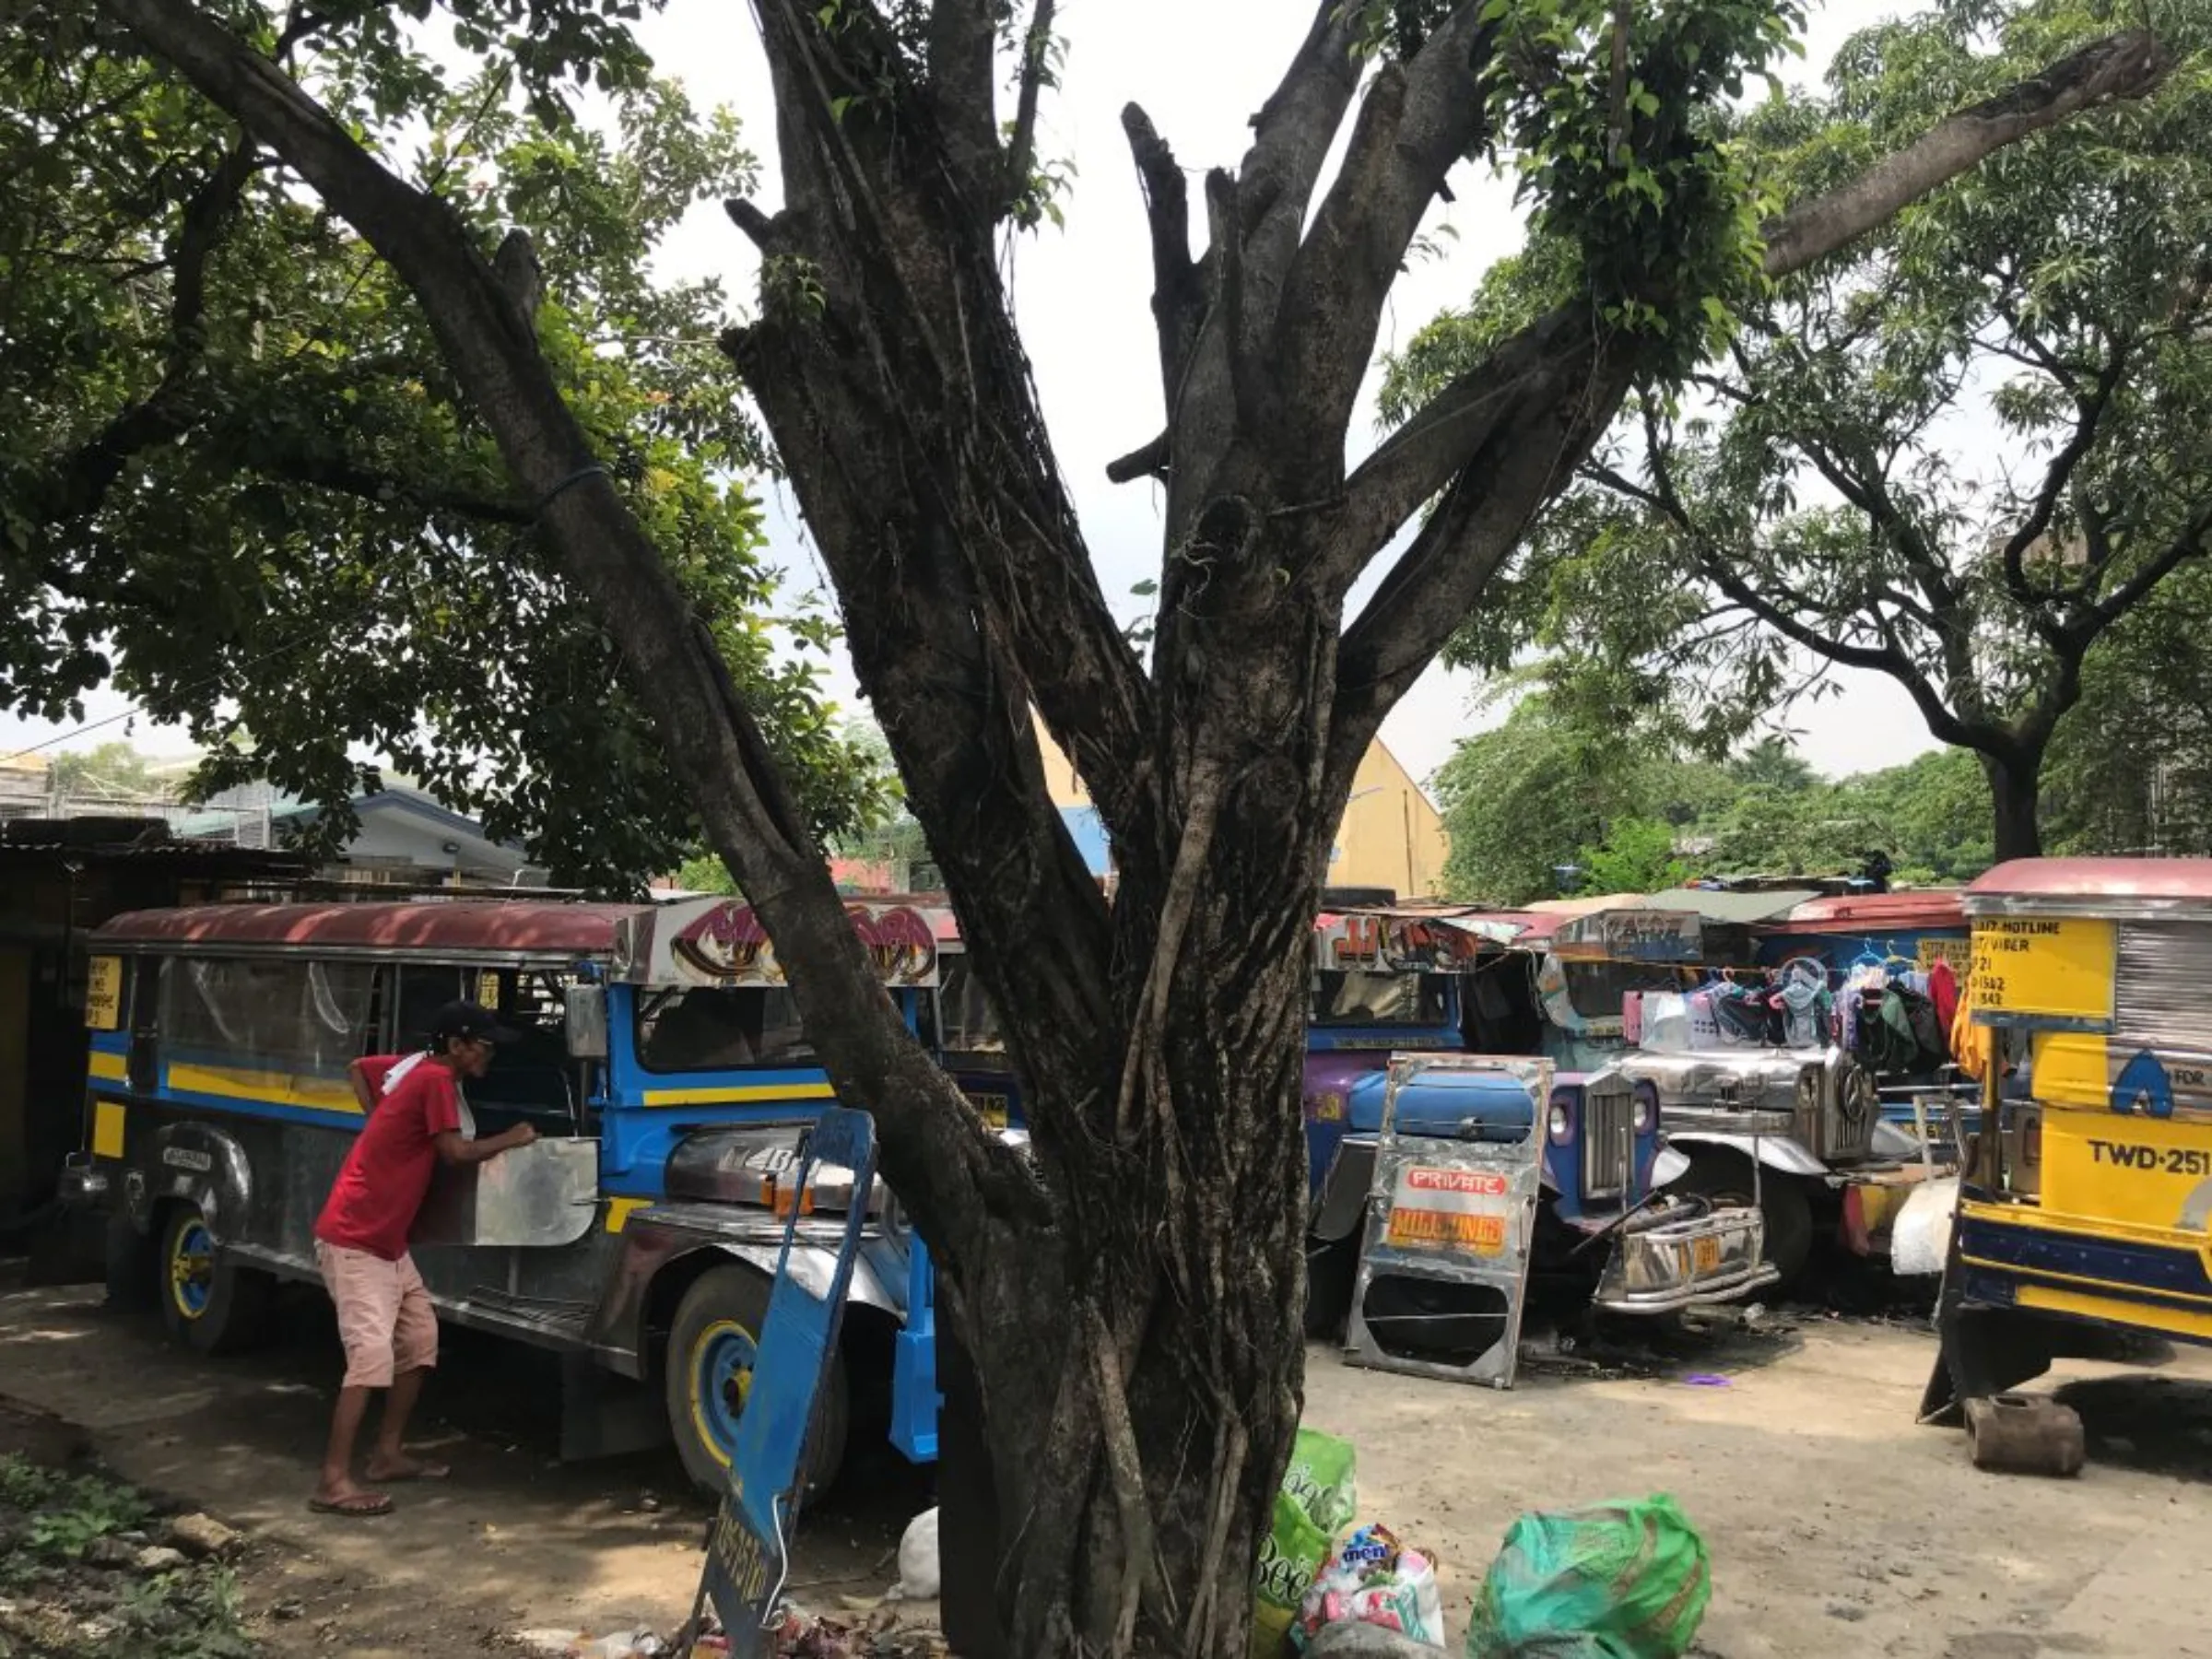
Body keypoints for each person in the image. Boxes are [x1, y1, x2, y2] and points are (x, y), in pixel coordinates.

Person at [310, 1002, 535, 1516]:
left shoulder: (413, 1066)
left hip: (386, 1242)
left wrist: (384, 1129)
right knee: (370, 1360)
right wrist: (514, 1138)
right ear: (457, 1046)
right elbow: (455, 1153)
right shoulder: (434, 1080)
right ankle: (332, 1480)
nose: (490, 1056)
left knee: (419, 1340)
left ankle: (386, 1455)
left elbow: (359, 1069)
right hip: (356, 1239)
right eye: (484, 1045)